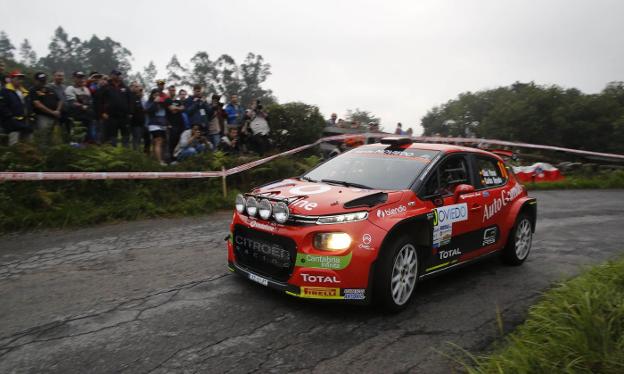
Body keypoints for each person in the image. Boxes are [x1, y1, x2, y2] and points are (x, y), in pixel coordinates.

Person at [98, 69, 132, 147]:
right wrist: (102, 113)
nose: (118, 76)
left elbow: (130, 101)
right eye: (116, 74)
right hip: (111, 116)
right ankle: (113, 154)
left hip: (124, 116)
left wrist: (130, 113)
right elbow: (100, 101)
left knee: (125, 136)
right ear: (112, 76)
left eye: (119, 75)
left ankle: (126, 153)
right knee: (112, 137)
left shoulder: (125, 88)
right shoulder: (106, 87)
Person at [0, 71, 33, 145]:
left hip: (25, 123)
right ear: (11, 79)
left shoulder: (25, 92)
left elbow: (29, 106)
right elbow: (2, 107)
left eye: (22, 79)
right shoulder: (5, 91)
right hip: (12, 125)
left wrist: (31, 118)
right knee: (14, 146)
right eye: (18, 78)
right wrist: (11, 118)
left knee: (28, 146)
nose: (20, 80)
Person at [30, 72, 62, 147]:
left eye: (44, 80)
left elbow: (60, 100)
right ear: (35, 80)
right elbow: (37, 104)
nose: (43, 82)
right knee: (43, 138)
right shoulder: (33, 90)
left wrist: (58, 110)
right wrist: (52, 112)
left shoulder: (49, 89)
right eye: (41, 80)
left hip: (55, 117)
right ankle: (43, 155)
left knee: (53, 139)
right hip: (42, 117)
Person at [65, 71, 96, 143]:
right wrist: (83, 106)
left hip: (87, 117)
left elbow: (90, 101)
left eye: (82, 77)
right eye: (78, 77)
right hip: (76, 118)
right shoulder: (70, 88)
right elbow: (72, 102)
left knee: (88, 138)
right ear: (74, 78)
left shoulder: (86, 89)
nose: (81, 79)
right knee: (76, 137)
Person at [145, 88, 168, 164]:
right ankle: (159, 161)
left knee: (160, 143)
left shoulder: (163, 103)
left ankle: (156, 159)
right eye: (155, 94)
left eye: (158, 95)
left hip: (163, 125)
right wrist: (155, 102)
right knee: (158, 141)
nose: (157, 96)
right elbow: (147, 110)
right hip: (154, 125)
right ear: (152, 95)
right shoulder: (149, 102)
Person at [165, 85, 186, 161]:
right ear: (168, 91)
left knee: (179, 142)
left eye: (174, 90)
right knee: (171, 142)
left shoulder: (178, 101)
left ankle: (177, 159)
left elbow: (183, 108)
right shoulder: (167, 100)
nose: (173, 91)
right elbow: (172, 110)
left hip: (180, 124)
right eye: (171, 90)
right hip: (172, 125)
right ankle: (170, 159)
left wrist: (176, 108)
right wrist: (178, 108)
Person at [129, 82, 148, 152]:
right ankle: (135, 155)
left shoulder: (140, 98)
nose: (139, 89)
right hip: (133, 123)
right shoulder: (130, 96)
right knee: (135, 139)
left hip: (141, 122)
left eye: (139, 87)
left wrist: (141, 96)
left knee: (139, 139)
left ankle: (137, 154)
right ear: (132, 87)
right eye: (136, 87)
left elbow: (144, 108)